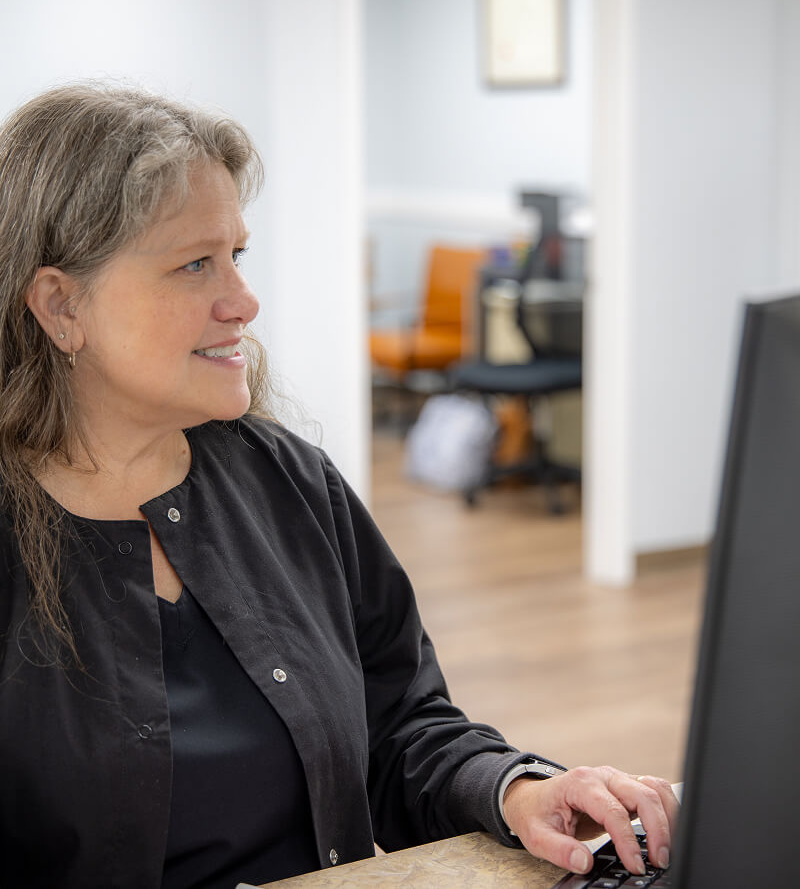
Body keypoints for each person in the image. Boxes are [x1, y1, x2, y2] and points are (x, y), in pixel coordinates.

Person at [0, 84, 678, 889]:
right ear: (59, 305)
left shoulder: (288, 481)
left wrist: (517, 789)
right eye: (194, 265)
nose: (243, 302)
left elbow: (399, 726)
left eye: (236, 257)